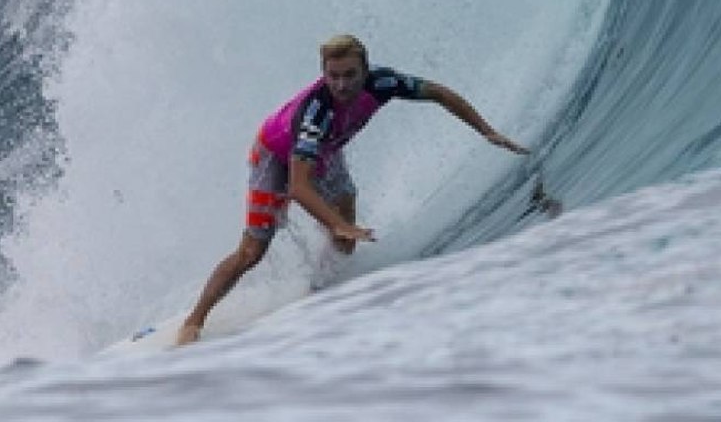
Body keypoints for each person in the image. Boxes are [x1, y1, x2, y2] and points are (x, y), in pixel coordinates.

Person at [177, 34, 528, 345]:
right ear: (323, 73)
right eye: (333, 76)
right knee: (252, 252)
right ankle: (193, 322)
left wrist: (486, 130)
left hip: (324, 152)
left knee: (346, 235)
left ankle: (322, 283)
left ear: (365, 69)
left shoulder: (383, 82)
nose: (342, 84)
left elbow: (438, 93)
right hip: (274, 155)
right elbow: (298, 186)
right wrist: (336, 223)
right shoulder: (315, 114)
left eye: (349, 75)